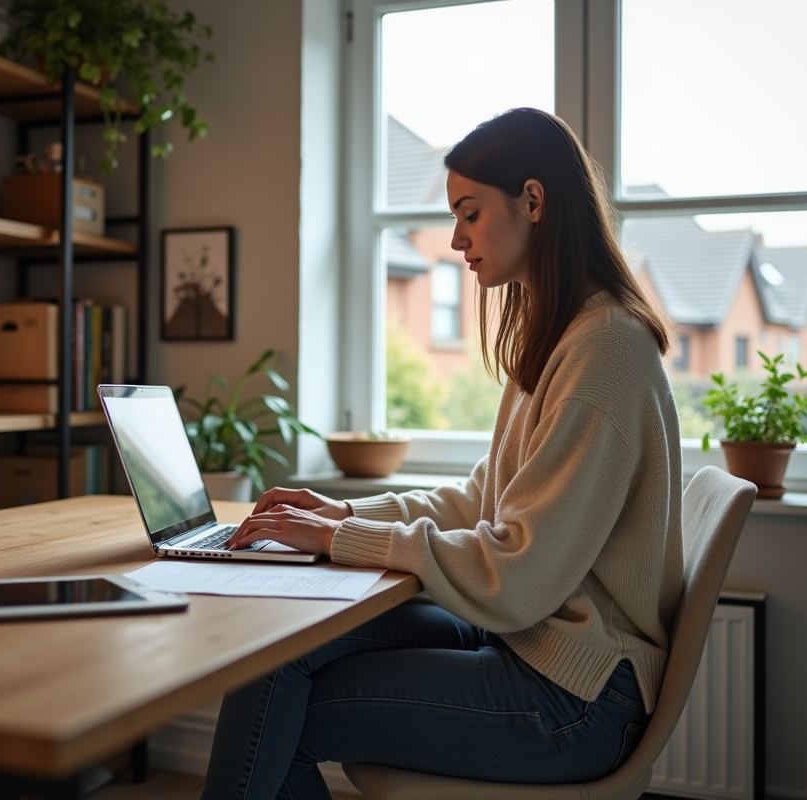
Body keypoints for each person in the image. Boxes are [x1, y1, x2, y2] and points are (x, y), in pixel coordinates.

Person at [201, 107, 683, 800]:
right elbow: (483, 502)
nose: (455, 238)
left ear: (534, 200)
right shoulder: (562, 338)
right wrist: (344, 513)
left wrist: (343, 538)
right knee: (274, 658)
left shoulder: (603, 352)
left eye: (470, 212)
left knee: (285, 705)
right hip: (531, 642)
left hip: (575, 697)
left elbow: (515, 572)